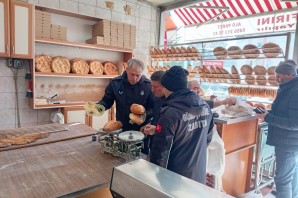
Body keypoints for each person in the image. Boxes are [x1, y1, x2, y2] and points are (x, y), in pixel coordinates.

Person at [150, 66, 214, 184]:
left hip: (175, 178)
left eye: (163, 87)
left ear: (168, 87)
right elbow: (207, 139)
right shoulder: (205, 107)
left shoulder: (170, 112)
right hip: (197, 174)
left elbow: (160, 153)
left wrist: (156, 180)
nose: (162, 90)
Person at [256, 60, 298, 198]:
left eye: (279, 76)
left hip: (288, 143)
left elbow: (295, 123)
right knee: (291, 176)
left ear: (290, 75)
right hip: (289, 142)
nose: (276, 79)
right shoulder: (288, 87)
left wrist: (268, 117)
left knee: (283, 180)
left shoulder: (294, 90)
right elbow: (286, 112)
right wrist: (267, 112)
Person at [97, 59, 155, 154]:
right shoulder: (115, 83)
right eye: (132, 74)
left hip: (142, 129)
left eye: (138, 75)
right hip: (122, 128)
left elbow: (154, 108)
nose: (135, 78)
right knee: (122, 154)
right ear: (126, 70)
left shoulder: (148, 85)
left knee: (141, 156)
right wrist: (99, 108)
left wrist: (144, 115)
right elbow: (106, 101)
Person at [142, 70, 166, 136]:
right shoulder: (156, 97)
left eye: (155, 87)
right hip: (155, 141)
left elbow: (172, 130)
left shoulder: (173, 103)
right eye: (152, 86)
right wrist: (150, 125)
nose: (152, 90)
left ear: (165, 86)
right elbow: (156, 117)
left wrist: (156, 129)